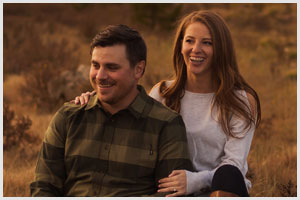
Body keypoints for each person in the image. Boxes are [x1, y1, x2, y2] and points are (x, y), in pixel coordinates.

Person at [74, 10, 261, 197]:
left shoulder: (240, 101)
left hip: (219, 189)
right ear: (180, 46)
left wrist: (193, 181)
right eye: (189, 41)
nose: (196, 49)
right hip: (171, 188)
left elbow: (234, 165)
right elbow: (129, 117)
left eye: (207, 42)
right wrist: (97, 98)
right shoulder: (163, 93)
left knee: (228, 174)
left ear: (221, 49)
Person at [30, 24, 192, 197]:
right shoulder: (68, 117)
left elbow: (173, 195)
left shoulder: (166, 125)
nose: (100, 76)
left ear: (138, 69)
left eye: (111, 67)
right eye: (95, 65)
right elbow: (43, 187)